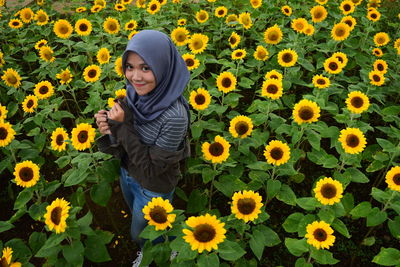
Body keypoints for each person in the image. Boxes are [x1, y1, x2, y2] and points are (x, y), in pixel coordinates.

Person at [94, 30, 190, 266]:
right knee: (147, 224)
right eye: (130, 66)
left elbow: (151, 170)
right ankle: (165, 243)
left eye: (146, 68)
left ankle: (162, 252)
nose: (135, 76)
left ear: (163, 67)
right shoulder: (134, 95)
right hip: (127, 174)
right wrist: (108, 127)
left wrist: (122, 127)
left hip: (152, 187)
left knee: (140, 232)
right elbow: (126, 138)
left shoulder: (174, 117)